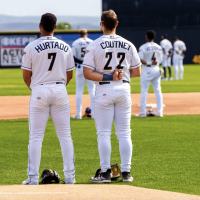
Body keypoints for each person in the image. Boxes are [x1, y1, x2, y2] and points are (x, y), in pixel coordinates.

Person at [83, 9, 141, 183]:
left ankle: (106, 173)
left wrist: (108, 75)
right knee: (124, 133)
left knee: (104, 134)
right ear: (116, 24)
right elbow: (137, 72)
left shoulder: (94, 44)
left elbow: (87, 73)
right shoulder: (128, 44)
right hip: (123, 88)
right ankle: (126, 173)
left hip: (104, 89)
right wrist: (120, 73)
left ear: (101, 24)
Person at [21, 13, 75, 185]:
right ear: (56, 27)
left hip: (39, 90)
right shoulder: (65, 46)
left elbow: (26, 75)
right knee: (65, 136)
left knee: (36, 137)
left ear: (40, 26)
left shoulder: (31, 47)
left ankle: (32, 178)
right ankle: (70, 178)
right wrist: (58, 88)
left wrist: (36, 88)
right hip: (60, 88)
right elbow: (70, 74)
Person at [136, 30, 163, 118]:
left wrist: (148, 63)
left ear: (146, 37)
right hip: (156, 69)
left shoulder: (143, 47)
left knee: (144, 91)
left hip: (147, 69)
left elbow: (140, 59)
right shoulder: (158, 47)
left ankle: (143, 112)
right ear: (154, 38)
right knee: (158, 91)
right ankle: (160, 112)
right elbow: (160, 60)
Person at [71, 29, 95, 119]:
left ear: (79, 34)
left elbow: (72, 57)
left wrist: (82, 62)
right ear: (87, 34)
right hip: (90, 68)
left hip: (80, 67)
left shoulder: (76, 42)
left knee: (79, 91)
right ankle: (94, 114)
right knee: (92, 90)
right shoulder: (92, 42)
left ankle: (78, 114)